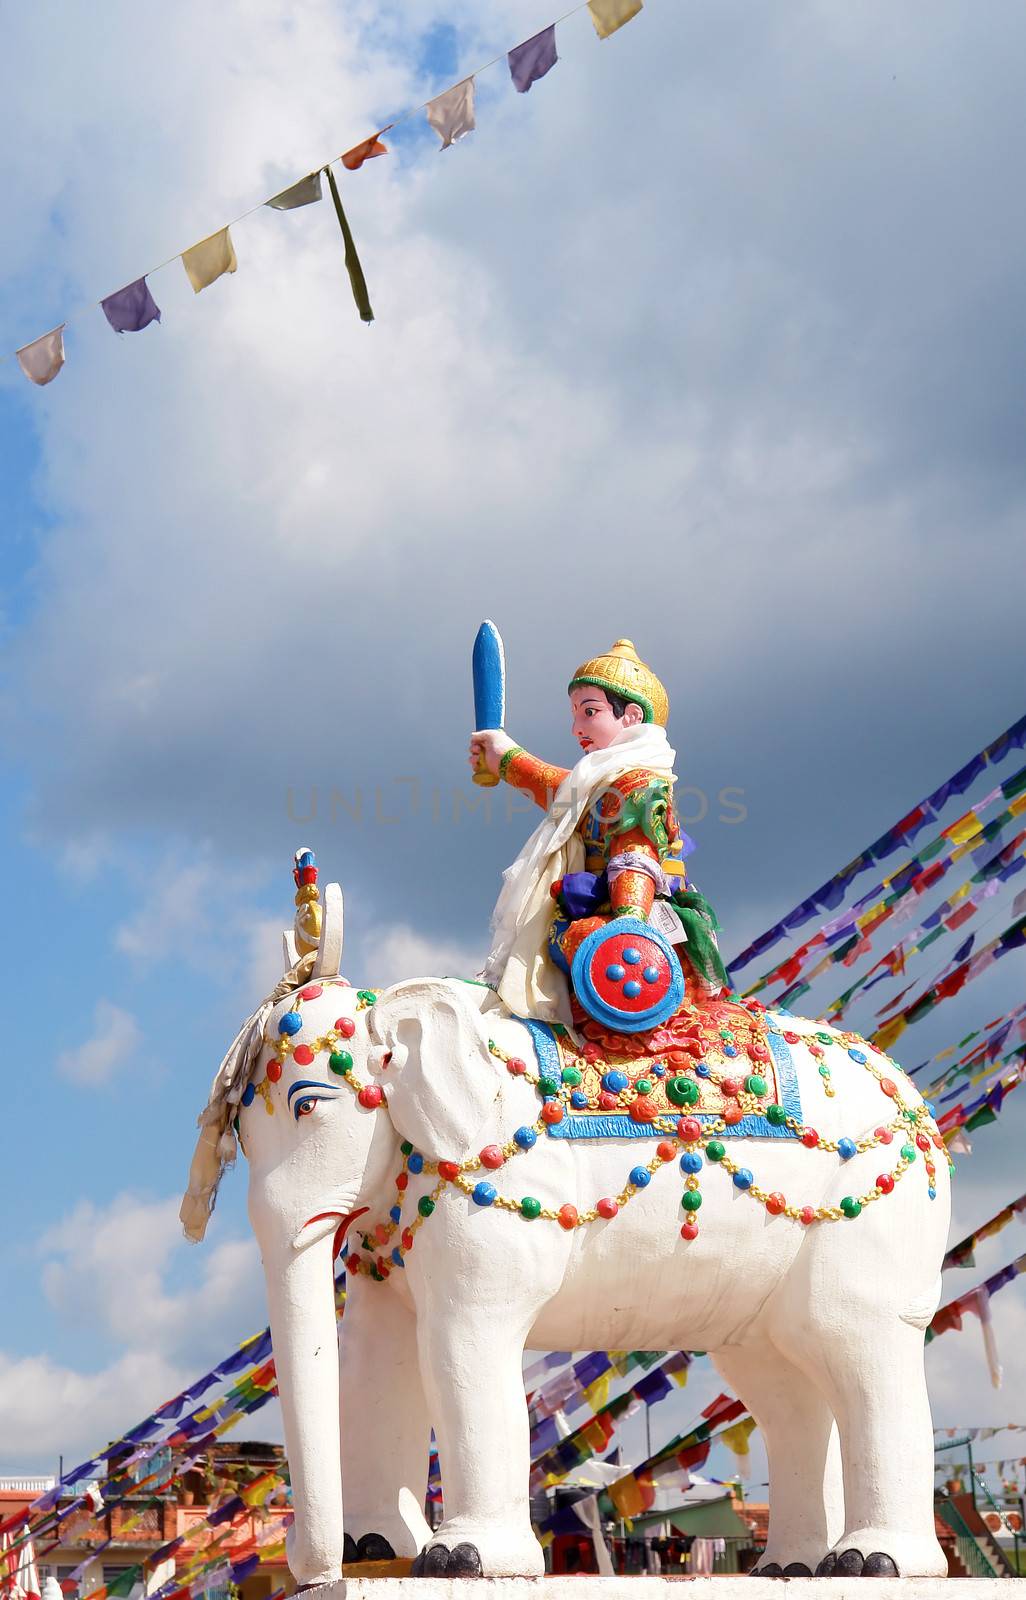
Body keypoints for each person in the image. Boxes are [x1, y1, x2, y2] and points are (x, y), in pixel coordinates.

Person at [470, 639, 726, 1026]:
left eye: (590, 712)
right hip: (598, 909)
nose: (577, 728)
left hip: (637, 920)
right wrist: (502, 755)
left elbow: (634, 859)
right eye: (575, 715)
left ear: (632, 717)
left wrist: (628, 925)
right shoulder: (596, 783)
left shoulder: (640, 782)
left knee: (582, 938)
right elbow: (557, 787)